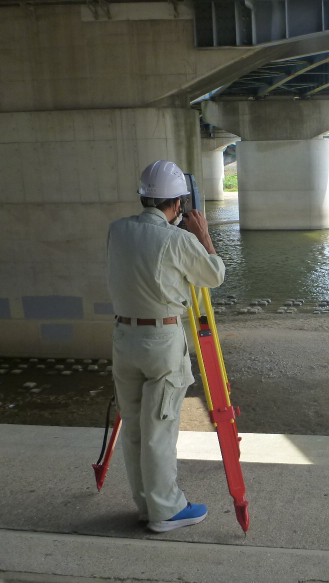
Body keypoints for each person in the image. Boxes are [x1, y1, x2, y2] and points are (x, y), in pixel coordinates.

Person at [106, 160, 225, 532]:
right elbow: (214, 275)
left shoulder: (117, 230)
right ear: (178, 203)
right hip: (161, 340)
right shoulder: (178, 239)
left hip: (124, 338)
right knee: (160, 427)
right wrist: (203, 234)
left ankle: (146, 504)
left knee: (137, 430)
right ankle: (166, 511)